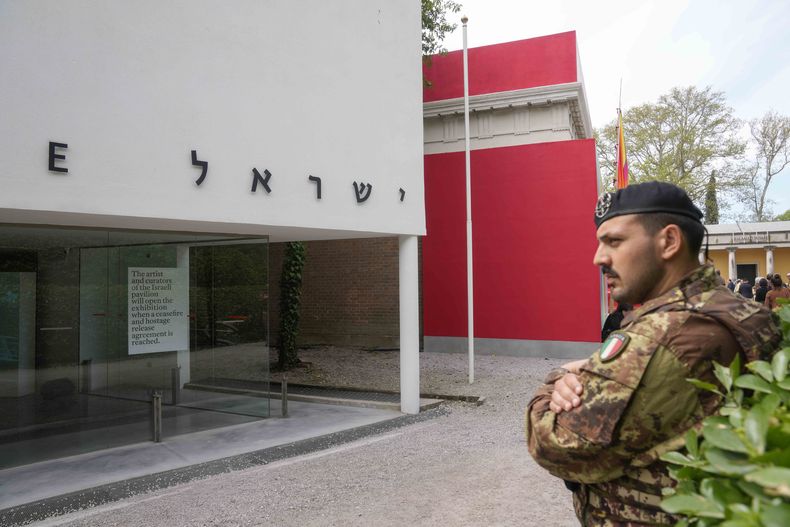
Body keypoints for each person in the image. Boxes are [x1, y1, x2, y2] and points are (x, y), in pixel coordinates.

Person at [526, 181, 781, 526]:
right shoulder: (739, 309)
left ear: (669, 242)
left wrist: (556, 381)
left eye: (614, 241)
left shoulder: (662, 338)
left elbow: (556, 444)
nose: (598, 257)